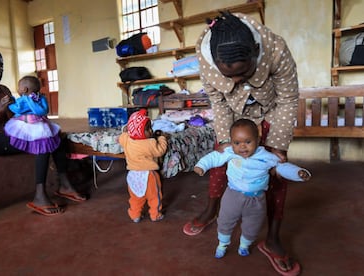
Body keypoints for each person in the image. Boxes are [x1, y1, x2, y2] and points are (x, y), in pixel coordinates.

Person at [182, 11, 302, 275]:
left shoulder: (275, 49)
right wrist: (225, 140)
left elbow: (288, 99)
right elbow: (219, 102)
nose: (236, 81)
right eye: (229, 75)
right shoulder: (205, 57)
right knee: (221, 160)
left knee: (275, 170)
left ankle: (272, 238)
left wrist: (278, 145)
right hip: (233, 116)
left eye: (244, 72)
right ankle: (213, 209)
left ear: (256, 52)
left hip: (271, 112)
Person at [0, 48, 86, 217]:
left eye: (1, 65)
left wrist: (33, 110)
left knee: (53, 135)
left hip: (11, 132)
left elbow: (16, 114)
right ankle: (40, 197)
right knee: (40, 141)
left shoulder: (4, 89)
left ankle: (64, 185)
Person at [193, 119, 311, 260]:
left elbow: (281, 167)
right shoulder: (230, 152)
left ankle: (244, 245)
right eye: (237, 143)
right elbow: (214, 157)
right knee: (225, 221)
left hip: (257, 199)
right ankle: (222, 244)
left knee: (252, 226)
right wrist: (201, 166)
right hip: (233, 195)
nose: (242, 147)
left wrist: (298, 173)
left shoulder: (266, 156)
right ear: (231, 142)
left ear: (258, 139)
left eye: (248, 142)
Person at [119, 109, 168, 222]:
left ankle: (135, 215)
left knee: (135, 197)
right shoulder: (150, 143)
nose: (151, 131)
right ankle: (155, 215)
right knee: (155, 197)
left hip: (132, 175)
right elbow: (160, 150)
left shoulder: (126, 140)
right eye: (148, 129)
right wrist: (162, 138)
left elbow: (122, 135)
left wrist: (126, 130)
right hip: (149, 175)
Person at [5, 75, 61, 155]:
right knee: (42, 136)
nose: (18, 89)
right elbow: (45, 110)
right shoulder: (42, 98)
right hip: (41, 123)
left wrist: (11, 103)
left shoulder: (23, 100)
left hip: (27, 122)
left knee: (22, 134)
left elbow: (17, 109)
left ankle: (27, 146)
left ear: (24, 89)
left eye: (18, 87)